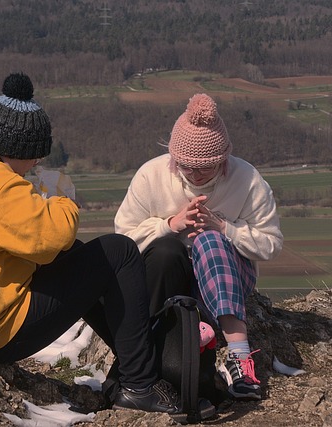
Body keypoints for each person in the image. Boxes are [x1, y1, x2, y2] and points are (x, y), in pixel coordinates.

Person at [0, 73, 214, 420]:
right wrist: (61, 199)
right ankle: (139, 385)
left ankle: (138, 361)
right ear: (18, 150)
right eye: (34, 159)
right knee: (118, 253)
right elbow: (52, 237)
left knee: (75, 258)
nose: (35, 166)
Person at [114, 93, 283, 401]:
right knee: (166, 250)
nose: (194, 174)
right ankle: (164, 339)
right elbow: (123, 238)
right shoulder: (151, 176)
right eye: (186, 166)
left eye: (205, 167)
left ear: (223, 158)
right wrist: (170, 225)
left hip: (228, 276)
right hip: (167, 276)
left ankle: (239, 358)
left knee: (210, 240)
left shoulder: (247, 180)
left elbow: (270, 244)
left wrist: (224, 228)